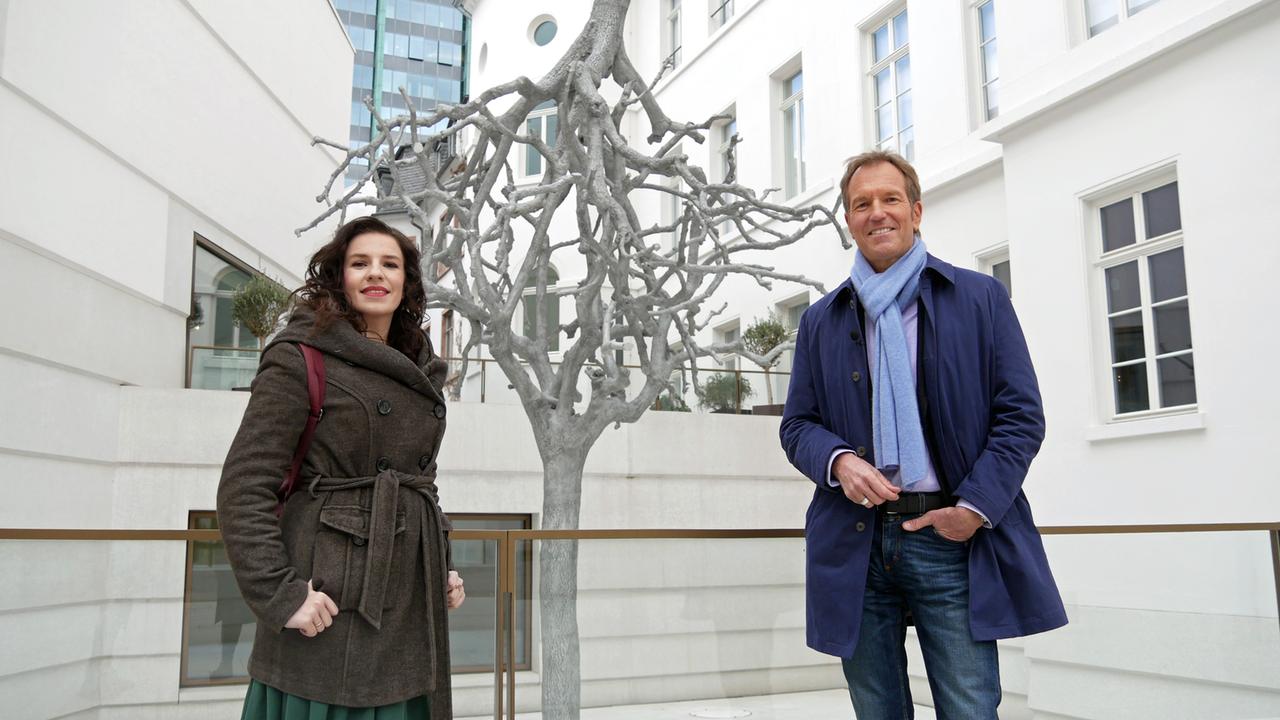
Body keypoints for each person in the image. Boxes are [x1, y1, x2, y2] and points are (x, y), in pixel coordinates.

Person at [780, 151, 1067, 718]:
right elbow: (797, 426)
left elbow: (1021, 417)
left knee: (969, 706)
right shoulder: (822, 319)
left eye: (890, 199)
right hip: (855, 542)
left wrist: (975, 509)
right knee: (877, 708)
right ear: (848, 221)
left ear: (915, 211)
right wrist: (837, 460)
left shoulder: (979, 298)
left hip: (949, 538)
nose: (876, 213)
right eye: (861, 204)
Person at [218, 216, 465, 719]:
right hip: (327, 600)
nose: (376, 273)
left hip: (407, 601)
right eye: (360, 263)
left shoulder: (420, 365)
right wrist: (280, 595)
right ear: (340, 276)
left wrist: (441, 560)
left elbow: (421, 484)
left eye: (389, 264)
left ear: (406, 282)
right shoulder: (299, 355)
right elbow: (244, 486)